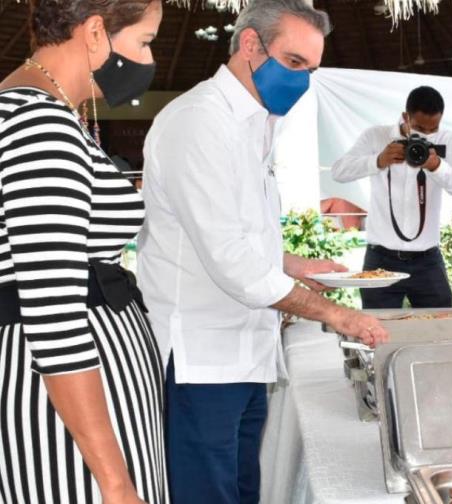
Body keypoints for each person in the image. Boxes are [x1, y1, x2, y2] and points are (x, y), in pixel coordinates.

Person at [138, 1, 388, 503]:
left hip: (246, 352)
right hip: (202, 360)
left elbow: (242, 232)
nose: (302, 80)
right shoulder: (199, 121)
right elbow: (231, 259)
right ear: (251, 45)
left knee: (242, 490)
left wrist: (296, 265)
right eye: (295, 63)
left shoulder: (256, 122)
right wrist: (334, 314)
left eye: (311, 70)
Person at [0, 1, 164, 503]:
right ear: (95, 32)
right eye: (143, 40)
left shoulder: (45, 112)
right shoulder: (38, 125)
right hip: (68, 422)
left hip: (79, 406)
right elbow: (53, 316)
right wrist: (114, 481)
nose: (147, 57)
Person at [331, 86, 452, 309]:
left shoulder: (446, 140)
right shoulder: (377, 136)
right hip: (380, 259)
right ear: (406, 117)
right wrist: (378, 160)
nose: (426, 135)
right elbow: (339, 171)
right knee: (377, 331)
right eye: (420, 128)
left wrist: (436, 166)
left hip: (427, 259)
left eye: (433, 129)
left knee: (439, 329)